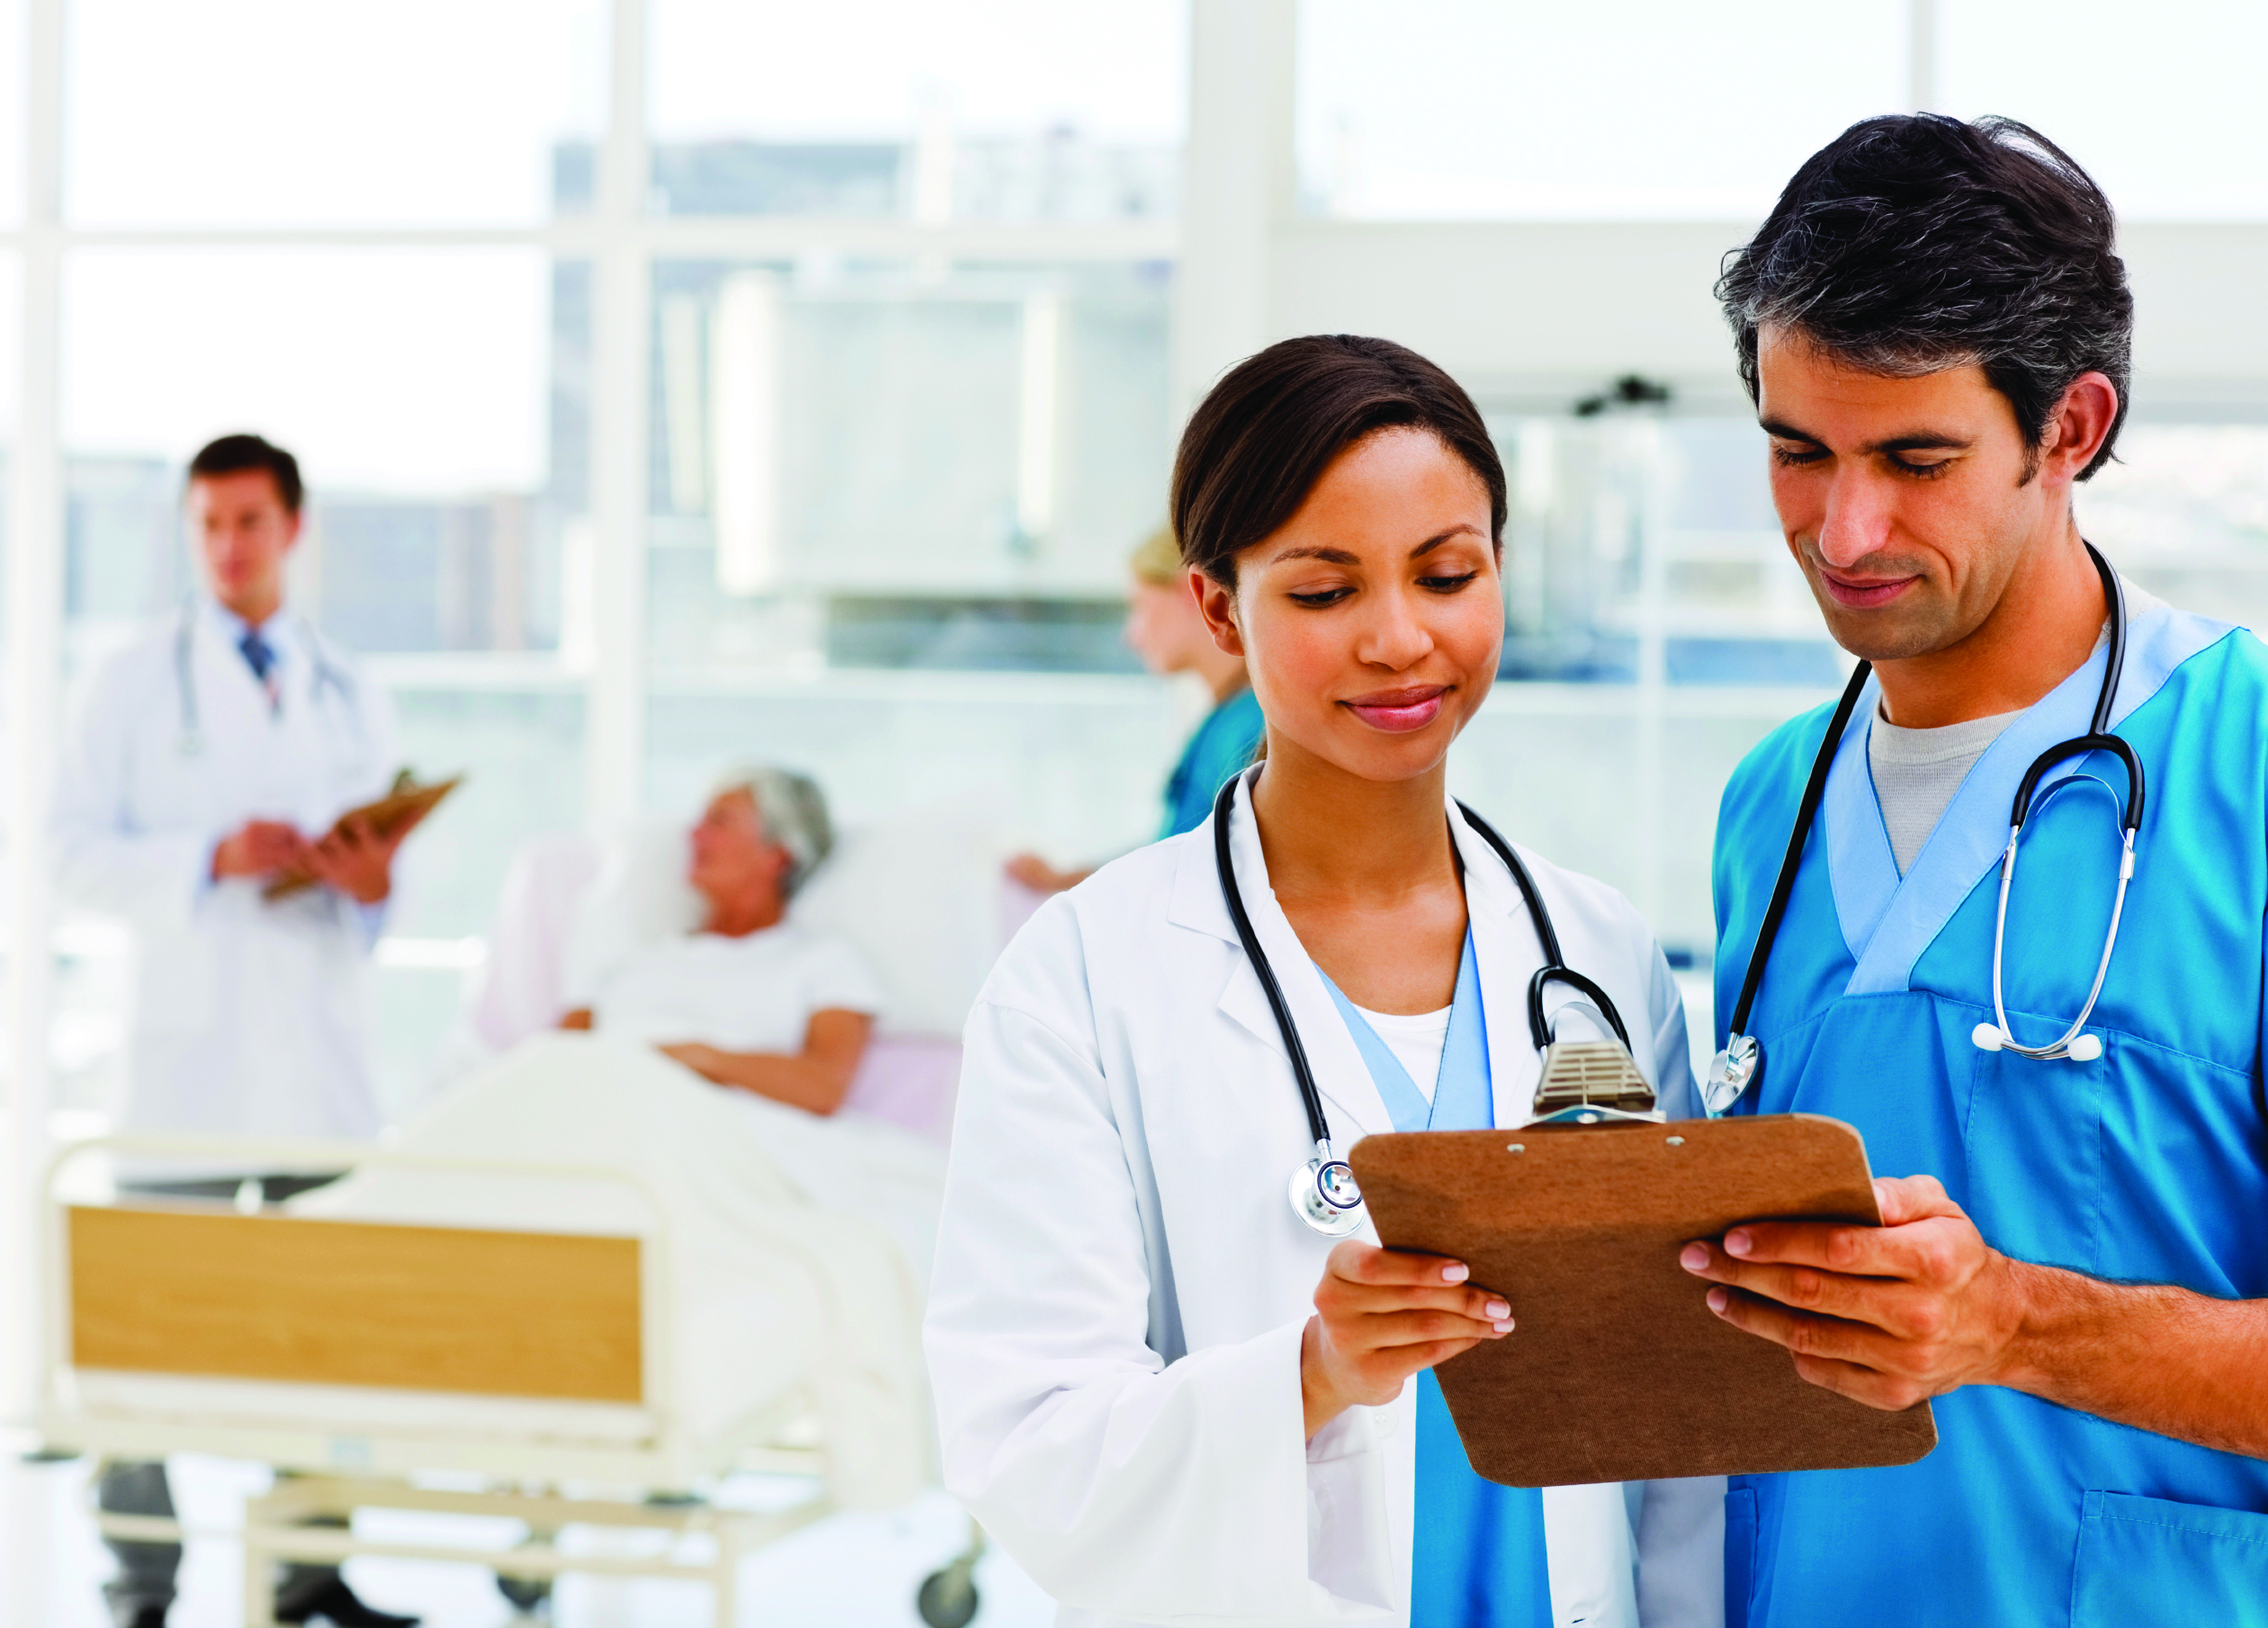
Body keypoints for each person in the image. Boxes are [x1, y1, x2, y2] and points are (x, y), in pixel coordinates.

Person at [1685, 114, 2268, 1626]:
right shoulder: (1771, 803)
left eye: (1915, 459)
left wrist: (2014, 1326)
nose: (1843, 530)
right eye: (1796, 451)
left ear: (2072, 427)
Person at [928, 335, 1722, 1627]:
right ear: (1217, 608)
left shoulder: (1599, 956)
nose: (1401, 639)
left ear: (1499, 574)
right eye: (1322, 592)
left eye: (1448, 573)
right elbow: (1024, 1440)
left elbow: (1679, 1417)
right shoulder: (1084, 978)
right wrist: (1311, 1370)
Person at [53, 434, 417, 1628]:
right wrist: (208, 858)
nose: (226, 547)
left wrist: (365, 881)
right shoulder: (127, 681)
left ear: (293, 530)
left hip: (315, 1064)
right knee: (147, 1327)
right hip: (182, 1064)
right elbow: (67, 857)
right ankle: (141, 1580)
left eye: (249, 523)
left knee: (323, 1330)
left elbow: (389, 873)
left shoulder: (347, 686)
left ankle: (310, 1567)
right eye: (207, 524)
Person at [561, 765, 883, 1116]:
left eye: (720, 821)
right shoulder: (637, 957)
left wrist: (693, 1058)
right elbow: (551, 1056)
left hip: (706, 1128)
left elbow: (823, 1088)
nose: (694, 833)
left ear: (779, 853)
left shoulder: (824, 963)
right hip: (593, 1112)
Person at [1004, 528, 1265, 891]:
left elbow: (1213, 876)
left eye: (1139, 606)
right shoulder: (1228, 719)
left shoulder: (1248, 728)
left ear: (1193, 593)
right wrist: (1068, 882)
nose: (1133, 636)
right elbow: (1177, 853)